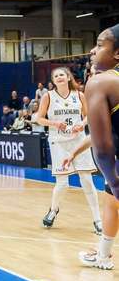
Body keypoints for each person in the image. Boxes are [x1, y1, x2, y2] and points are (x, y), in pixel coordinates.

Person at [73, 24, 119, 270]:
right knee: (111, 203)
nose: (92, 50)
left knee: (112, 197)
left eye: (100, 45)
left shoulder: (100, 82)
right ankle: (103, 254)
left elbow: (103, 148)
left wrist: (113, 179)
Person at [34, 67, 102, 233]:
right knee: (62, 183)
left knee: (87, 180)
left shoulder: (79, 95)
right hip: (58, 141)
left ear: (68, 77)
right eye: (55, 75)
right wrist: (55, 124)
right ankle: (53, 209)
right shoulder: (48, 96)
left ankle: (97, 219)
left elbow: (88, 115)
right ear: (53, 80)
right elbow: (38, 119)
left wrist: (82, 124)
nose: (59, 77)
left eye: (61, 75)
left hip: (78, 141)